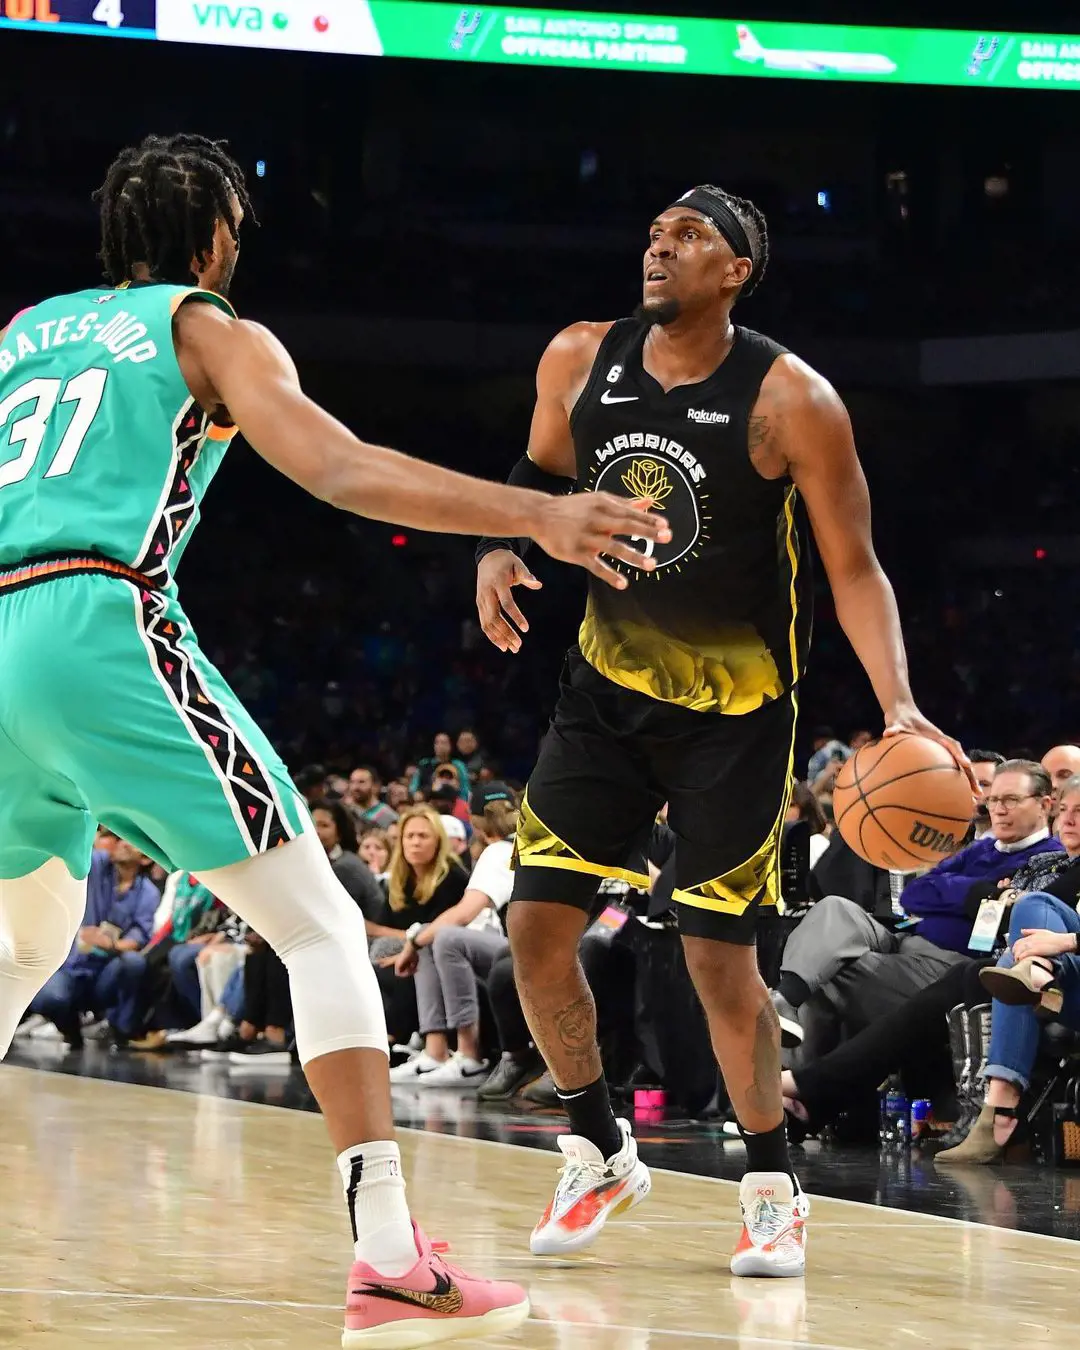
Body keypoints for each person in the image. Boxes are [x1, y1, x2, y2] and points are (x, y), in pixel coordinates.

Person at [0, 133, 665, 1346]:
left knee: (22, 936)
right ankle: (391, 1255)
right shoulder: (205, 325)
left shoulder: (25, 332)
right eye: (235, 238)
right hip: (97, 618)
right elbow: (341, 467)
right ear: (212, 238)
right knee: (317, 924)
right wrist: (541, 512)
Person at [475, 182, 969, 1276]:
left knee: (717, 959)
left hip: (740, 718)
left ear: (736, 269)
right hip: (604, 691)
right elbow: (540, 475)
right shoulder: (577, 356)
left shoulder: (794, 399)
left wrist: (898, 704)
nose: (660, 246)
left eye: (689, 236)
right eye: (655, 232)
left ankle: (771, 1182)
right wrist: (501, 546)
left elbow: (855, 568)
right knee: (535, 935)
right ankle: (601, 1148)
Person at [770, 760, 1060, 1047]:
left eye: (1011, 799)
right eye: (994, 799)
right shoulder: (982, 848)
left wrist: (949, 889)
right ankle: (783, 1001)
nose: (998, 809)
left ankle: (788, 1073)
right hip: (903, 942)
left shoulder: (1052, 859)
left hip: (951, 966)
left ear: (1045, 804)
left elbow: (1012, 917)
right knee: (834, 908)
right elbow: (915, 894)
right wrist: (976, 893)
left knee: (826, 970)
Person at [938, 775, 1080, 1163]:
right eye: (1064, 811)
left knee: (1010, 965)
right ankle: (999, 1101)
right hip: (1069, 982)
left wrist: (1065, 944)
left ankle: (998, 1113)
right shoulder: (1052, 867)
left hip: (1068, 972)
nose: (1068, 820)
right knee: (1032, 909)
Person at [391, 799, 518, 1088]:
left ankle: (469, 1056)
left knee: (442, 935)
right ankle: (435, 1052)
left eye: (422, 835)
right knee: (428, 932)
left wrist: (412, 942)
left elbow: (464, 913)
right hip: (525, 947)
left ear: (475, 825)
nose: (414, 842)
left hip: (518, 950)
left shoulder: (498, 852)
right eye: (410, 836)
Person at [27, 839, 159, 1047]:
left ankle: (123, 1034)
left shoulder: (148, 892)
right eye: (121, 838)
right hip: (71, 965)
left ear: (145, 858)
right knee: (46, 997)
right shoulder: (96, 865)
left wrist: (110, 944)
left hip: (105, 971)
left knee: (133, 962)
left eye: (133, 843)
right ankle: (71, 1032)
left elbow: (139, 938)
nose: (123, 843)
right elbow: (77, 850)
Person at [311, 798, 384, 921]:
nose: (316, 831)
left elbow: (335, 918)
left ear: (339, 832)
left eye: (324, 825)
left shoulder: (345, 866)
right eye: (312, 824)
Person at [409, 733, 473, 801]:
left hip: (451, 803)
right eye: (437, 743)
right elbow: (413, 788)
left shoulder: (458, 765)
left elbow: (465, 790)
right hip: (427, 803)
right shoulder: (424, 763)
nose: (440, 746)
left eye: (443, 743)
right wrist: (415, 794)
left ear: (450, 746)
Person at [345, 766, 398, 832]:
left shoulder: (387, 814)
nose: (356, 787)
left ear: (373, 785)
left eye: (361, 782)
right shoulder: (346, 811)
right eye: (352, 782)